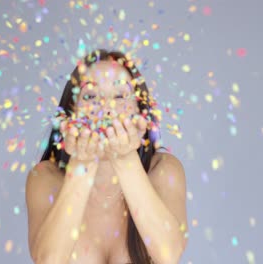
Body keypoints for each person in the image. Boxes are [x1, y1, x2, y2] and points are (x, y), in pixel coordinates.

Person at [26, 49, 188, 264]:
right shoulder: (45, 178)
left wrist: (124, 158)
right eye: (91, 95)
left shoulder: (164, 170)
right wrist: (82, 164)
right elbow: (48, 260)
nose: (105, 106)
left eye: (120, 95)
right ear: (71, 112)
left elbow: (169, 255)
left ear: (140, 112)